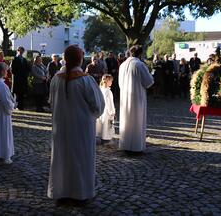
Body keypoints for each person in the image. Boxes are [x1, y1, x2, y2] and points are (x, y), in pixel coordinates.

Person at [48, 45, 105, 201]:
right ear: (80, 59)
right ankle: (80, 193)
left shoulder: (55, 79)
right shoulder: (86, 80)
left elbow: (51, 103)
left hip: (61, 127)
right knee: (81, 158)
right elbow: (98, 106)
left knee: (62, 157)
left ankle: (61, 190)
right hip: (82, 128)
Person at [118, 46, 154, 152]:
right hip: (137, 97)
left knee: (126, 119)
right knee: (137, 119)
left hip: (125, 96)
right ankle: (136, 146)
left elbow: (120, 83)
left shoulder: (123, 65)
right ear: (140, 54)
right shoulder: (140, 65)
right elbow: (148, 82)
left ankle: (125, 144)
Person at [96, 74, 115, 142]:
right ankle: (105, 137)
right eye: (111, 81)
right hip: (107, 111)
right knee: (107, 124)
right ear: (107, 81)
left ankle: (101, 135)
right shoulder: (108, 92)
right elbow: (109, 103)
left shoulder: (101, 89)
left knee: (102, 123)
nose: (112, 82)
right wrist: (112, 112)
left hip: (102, 110)